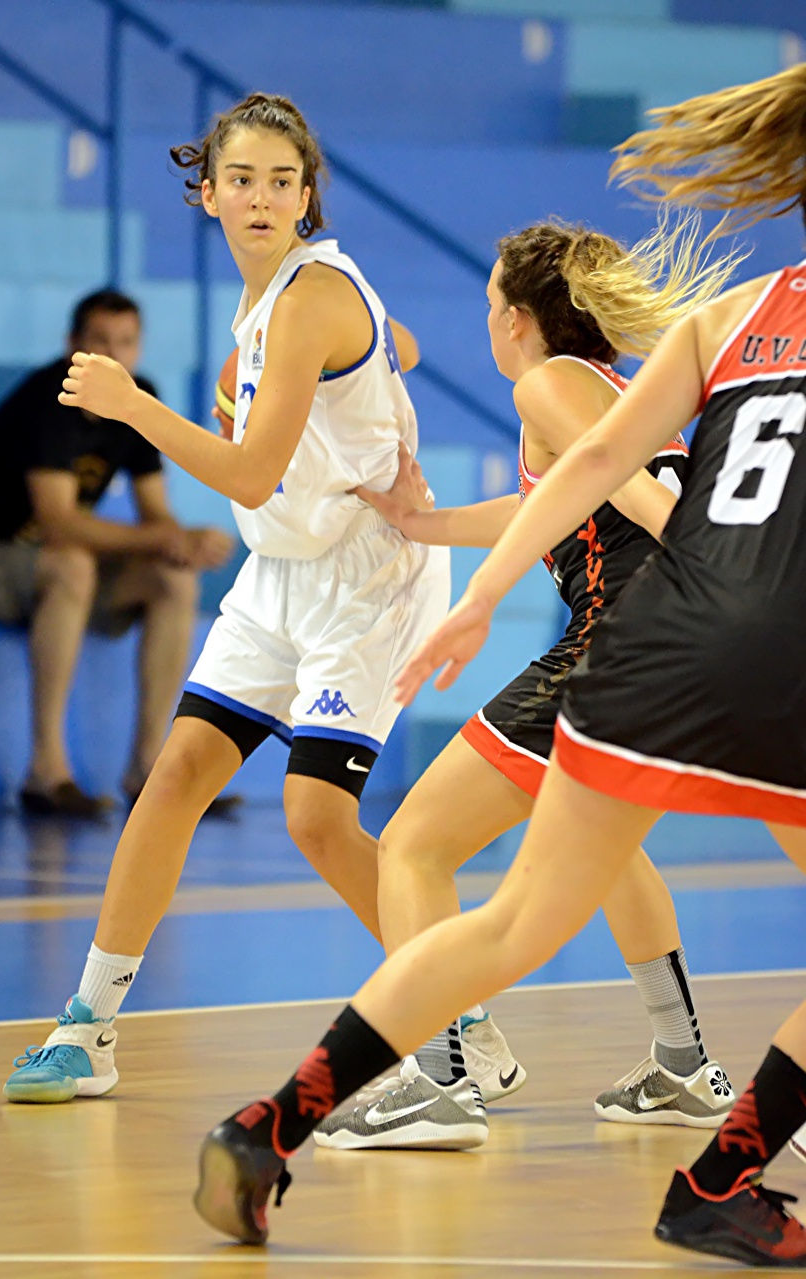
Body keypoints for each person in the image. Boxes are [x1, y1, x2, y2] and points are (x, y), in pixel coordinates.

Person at [195, 64, 806, 1267]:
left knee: (517, 911)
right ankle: (719, 1175)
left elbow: (590, 473)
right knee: (440, 853)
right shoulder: (605, 362)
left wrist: (476, 599)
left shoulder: (732, 317)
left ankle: (268, 1126)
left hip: (652, 650)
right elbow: (613, 482)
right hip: (771, 644)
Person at [1, 93, 451, 1104]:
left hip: (367, 576)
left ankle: (453, 1014)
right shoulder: (273, 311)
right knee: (176, 775)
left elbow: (248, 475)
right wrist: (337, 393)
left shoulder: (309, 296)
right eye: (241, 179)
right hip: (280, 570)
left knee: (317, 818)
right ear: (206, 193)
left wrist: (134, 405)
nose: (260, 197)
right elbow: (403, 346)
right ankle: (87, 1027)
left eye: (282, 182)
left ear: (306, 196)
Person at [313, 219, 737, 1152]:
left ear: (516, 316)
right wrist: (422, 524)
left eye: (490, 302)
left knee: (413, 845)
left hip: (615, 645)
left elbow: (634, 495)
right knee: (607, 852)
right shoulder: (610, 389)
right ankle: (681, 1065)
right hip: (671, 655)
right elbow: (550, 504)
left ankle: (437, 1081)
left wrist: (715, 571)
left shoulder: (545, 383)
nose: (488, 319)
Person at [0, 289, 233, 817]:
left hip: (35, 571)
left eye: (126, 342)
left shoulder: (137, 399)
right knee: (72, 564)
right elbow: (59, 522)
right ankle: (46, 771)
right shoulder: (50, 398)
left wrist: (185, 542)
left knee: (172, 580)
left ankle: (149, 771)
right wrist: (165, 539)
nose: (113, 354)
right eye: (99, 341)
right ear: (72, 345)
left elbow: (156, 513)